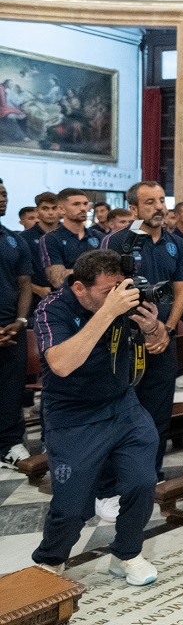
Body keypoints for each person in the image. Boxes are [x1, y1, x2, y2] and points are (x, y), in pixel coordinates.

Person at [31, 249, 169, 583]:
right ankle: (50, 561)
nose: (118, 297)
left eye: (121, 287)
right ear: (80, 288)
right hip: (73, 415)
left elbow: (161, 342)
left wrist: (152, 329)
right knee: (72, 506)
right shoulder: (53, 308)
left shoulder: (123, 300)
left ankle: (127, 554)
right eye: (108, 291)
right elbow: (61, 364)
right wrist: (107, 313)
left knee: (142, 482)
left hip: (123, 406)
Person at [100, 182, 183, 481]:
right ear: (134, 210)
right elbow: (108, 293)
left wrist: (165, 329)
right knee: (123, 408)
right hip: (125, 340)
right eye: (150, 202)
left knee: (158, 409)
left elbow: (180, 290)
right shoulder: (117, 242)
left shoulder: (176, 243)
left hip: (163, 340)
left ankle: (152, 471)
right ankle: (119, 476)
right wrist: (147, 328)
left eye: (162, 200)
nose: (159, 207)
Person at [0, 179, 33, 469]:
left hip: (11, 327)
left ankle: (9, 444)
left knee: (12, 388)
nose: (2, 199)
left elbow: (24, 284)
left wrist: (21, 321)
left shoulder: (13, 239)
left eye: (4, 194)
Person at [41, 188, 101, 289]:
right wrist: (97, 271)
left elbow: (110, 272)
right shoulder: (51, 238)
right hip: (66, 299)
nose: (83, 208)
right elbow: (58, 280)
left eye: (85, 204)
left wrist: (71, 271)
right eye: (76, 204)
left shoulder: (99, 236)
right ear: (61, 209)